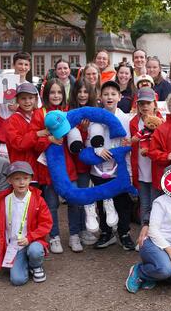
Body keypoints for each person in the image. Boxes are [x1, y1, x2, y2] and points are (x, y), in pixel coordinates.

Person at [0, 162, 52, 285]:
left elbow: (46, 224)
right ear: (9, 180)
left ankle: (36, 265)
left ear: (31, 179)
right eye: (17, 179)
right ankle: (24, 262)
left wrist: (30, 238)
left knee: (35, 251)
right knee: (17, 280)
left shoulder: (38, 200)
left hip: (32, 242)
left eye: (25, 178)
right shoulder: (2, 201)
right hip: (14, 246)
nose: (22, 182)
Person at [31, 78, 80, 254]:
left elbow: (76, 137)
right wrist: (48, 139)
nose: (56, 95)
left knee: (74, 200)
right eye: (52, 92)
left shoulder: (68, 112)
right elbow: (34, 141)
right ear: (46, 94)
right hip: (48, 167)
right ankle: (54, 237)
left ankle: (74, 234)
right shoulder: (39, 113)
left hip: (68, 165)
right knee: (51, 204)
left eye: (59, 92)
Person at [125, 164, 171, 293]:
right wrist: (170, 251)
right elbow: (153, 231)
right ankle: (139, 271)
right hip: (153, 243)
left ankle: (155, 274)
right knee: (165, 269)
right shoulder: (160, 202)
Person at [90, 80, 135, 250]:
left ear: (119, 96)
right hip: (99, 168)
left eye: (113, 94)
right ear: (100, 97)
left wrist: (129, 171)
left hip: (120, 168)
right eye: (106, 94)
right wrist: (97, 150)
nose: (110, 97)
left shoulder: (125, 118)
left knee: (122, 202)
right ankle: (106, 233)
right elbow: (91, 141)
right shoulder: (95, 117)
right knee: (102, 201)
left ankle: (124, 232)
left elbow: (127, 145)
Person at [67, 78, 99, 246]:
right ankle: (74, 233)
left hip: (85, 165)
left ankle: (83, 229)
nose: (82, 94)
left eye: (86, 91)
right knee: (73, 199)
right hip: (71, 162)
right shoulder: (69, 112)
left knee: (84, 197)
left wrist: (86, 131)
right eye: (79, 91)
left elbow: (94, 140)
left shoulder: (94, 112)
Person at [130, 87, 162, 248]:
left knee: (157, 204)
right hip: (142, 170)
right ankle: (143, 237)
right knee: (144, 204)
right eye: (141, 103)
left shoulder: (162, 121)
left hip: (157, 170)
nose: (144, 107)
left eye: (148, 103)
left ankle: (155, 236)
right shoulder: (134, 123)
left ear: (154, 104)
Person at [4, 83, 42, 183]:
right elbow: (18, 144)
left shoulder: (40, 116)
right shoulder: (12, 120)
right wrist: (36, 134)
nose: (27, 101)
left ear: (36, 99)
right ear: (17, 100)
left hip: (40, 170)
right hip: (22, 172)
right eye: (23, 98)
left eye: (30, 98)